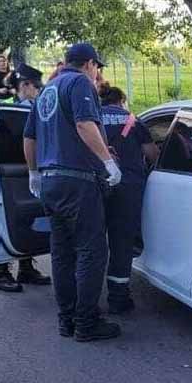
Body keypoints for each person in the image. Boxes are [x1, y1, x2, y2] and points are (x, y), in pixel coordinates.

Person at [23, 42, 123, 342]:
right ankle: (87, 322)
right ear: (89, 63)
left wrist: (33, 173)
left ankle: (66, 319)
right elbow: (84, 124)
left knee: (62, 253)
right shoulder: (79, 82)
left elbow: (29, 137)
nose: (98, 73)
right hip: (78, 181)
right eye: (98, 67)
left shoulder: (47, 90)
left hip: (51, 183)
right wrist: (109, 162)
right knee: (92, 251)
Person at [0, 63, 52, 292]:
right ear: (24, 85)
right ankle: (0, 273)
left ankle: (26, 268)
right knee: (2, 220)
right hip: (8, 173)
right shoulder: (4, 108)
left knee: (27, 220)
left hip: (32, 170)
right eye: (36, 88)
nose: (38, 91)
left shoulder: (37, 106)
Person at [99, 85, 159, 313]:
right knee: (121, 243)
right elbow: (152, 154)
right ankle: (118, 297)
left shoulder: (92, 119)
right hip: (127, 189)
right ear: (122, 101)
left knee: (92, 243)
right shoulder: (133, 121)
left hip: (97, 186)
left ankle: (87, 297)